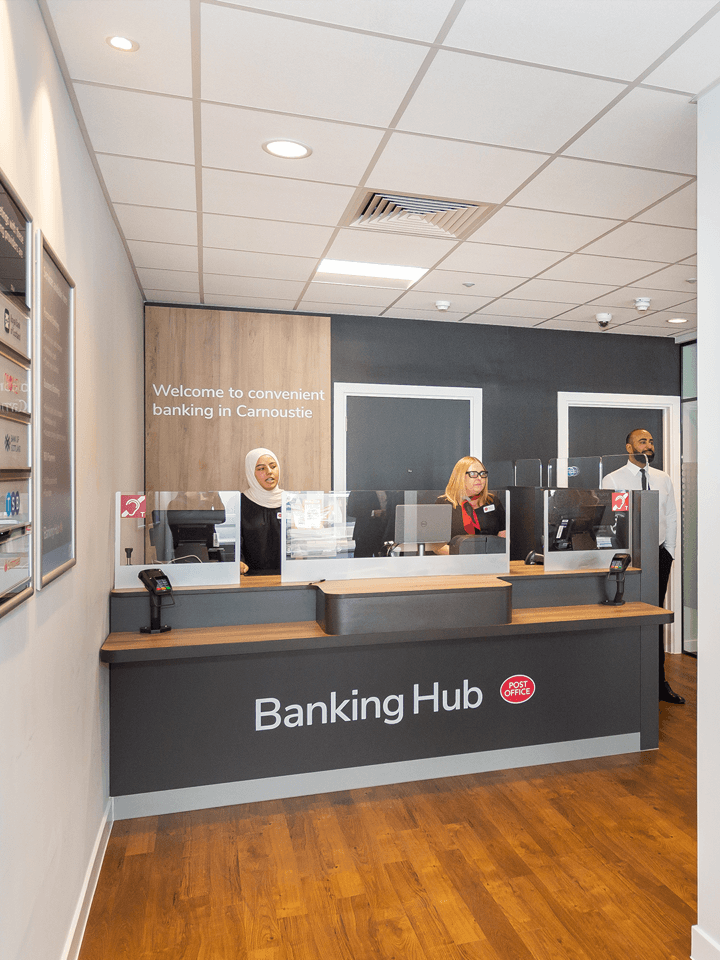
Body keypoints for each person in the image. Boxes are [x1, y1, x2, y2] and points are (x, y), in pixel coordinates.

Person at [601, 428, 684, 704]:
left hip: (659, 555)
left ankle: (658, 682)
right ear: (628, 447)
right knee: (628, 618)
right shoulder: (613, 479)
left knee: (656, 618)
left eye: (650, 441)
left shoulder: (663, 478)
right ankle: (626, 682)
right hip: (629, 560)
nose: (649, 445)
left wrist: (669, 551)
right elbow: (611, 521)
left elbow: (671, 515)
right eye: (642, 441)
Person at [432, 456, 506, 554]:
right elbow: (436, 546)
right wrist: (464, 556)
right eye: (473, 474)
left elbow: (503, 536)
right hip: (454, 563)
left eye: (482, 474)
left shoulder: (492, 501)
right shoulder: (444, 503)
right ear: (460, 476)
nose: (479, 478)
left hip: (488, 562)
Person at [240, 447, 284, 575]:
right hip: (250, 579)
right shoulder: (241, 503)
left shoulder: (290, 501)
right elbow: (234, 543)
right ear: (250, 472)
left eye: (273, 466)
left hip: (288, 578)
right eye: (261, 468)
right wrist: (237, 562)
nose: (269, 472)